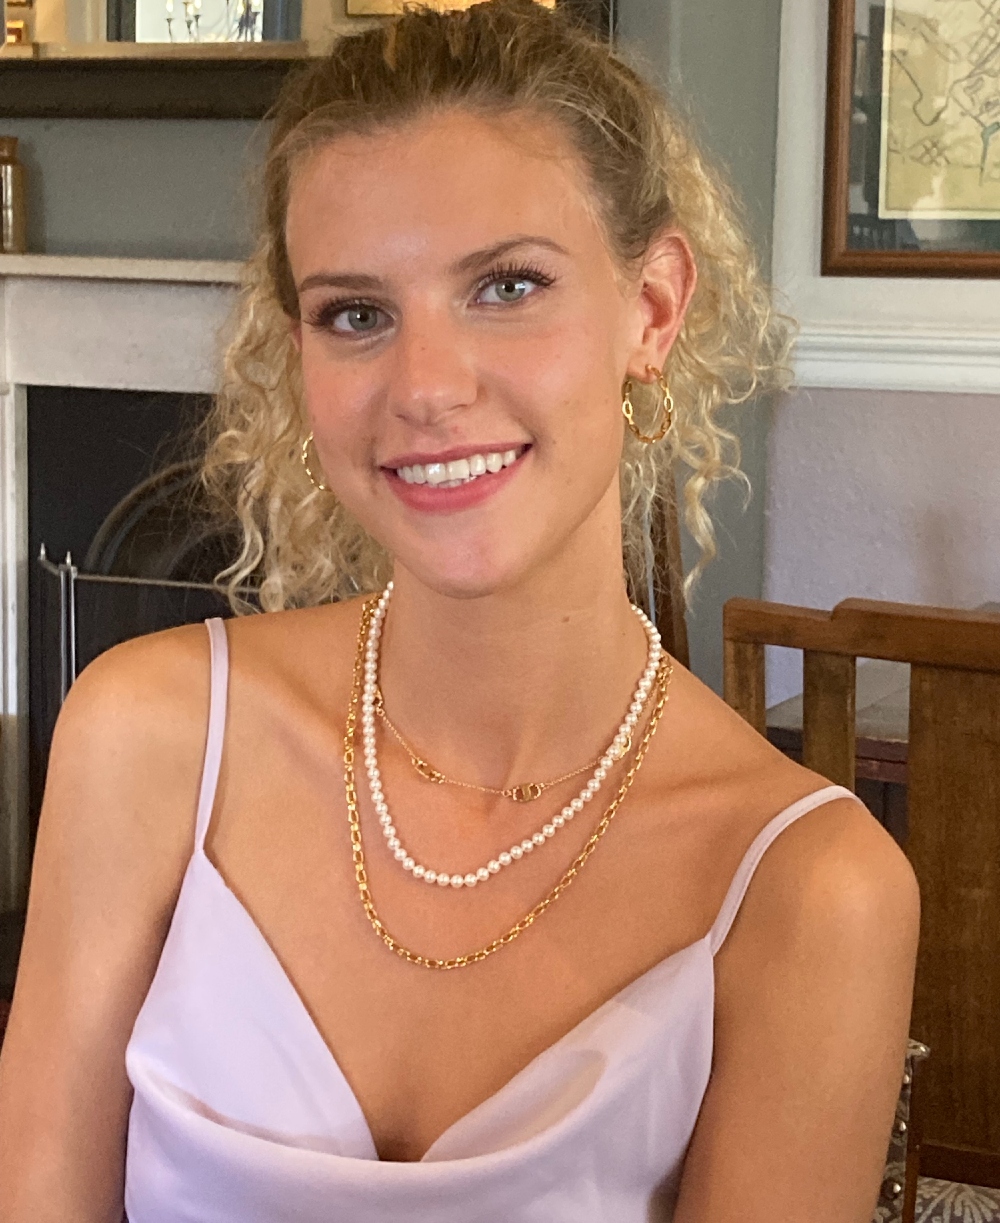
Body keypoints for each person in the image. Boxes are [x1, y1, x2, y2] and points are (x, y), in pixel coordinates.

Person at [0, 2, 919, 1219]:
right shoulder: (151, 733)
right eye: (356, 313)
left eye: (508, 285)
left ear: (651, 308)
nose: (425, 386)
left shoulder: (808, 888)